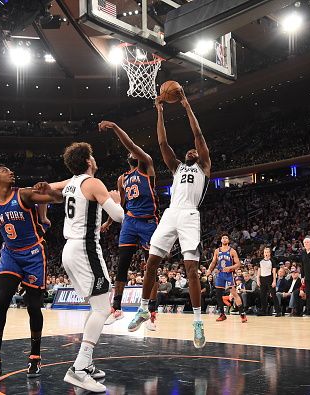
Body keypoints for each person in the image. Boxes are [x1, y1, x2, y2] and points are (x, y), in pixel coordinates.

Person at [34, 141, 124, 392]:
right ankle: (79, 368)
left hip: (70, 250)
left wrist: (43, 215)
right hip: (85, 249)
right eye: (92, 156)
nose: (95, 160)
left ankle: (88, 364)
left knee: (96, 307)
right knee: (103, 308)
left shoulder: (70, 182)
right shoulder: (93, 183)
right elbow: (119, 217)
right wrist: (117, 200)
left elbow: (42, 190)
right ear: (88, 162)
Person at [128, 88, 211, 349]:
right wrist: (160, 111)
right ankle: (143, 309)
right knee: (151, 263)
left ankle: (197, 322)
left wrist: (186, 106)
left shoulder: (204, 166)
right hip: (171, 213)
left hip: (189, 215)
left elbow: (197, 135)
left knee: (191, 270)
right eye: (188, 151)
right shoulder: (176, 167)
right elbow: (163, 144)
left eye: (194, 151)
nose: (191, 151)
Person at [0, 164, 58, 384]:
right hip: (10, 255)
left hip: (34, 254)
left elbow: (57, 199)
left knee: (34, 307)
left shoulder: (23, 194)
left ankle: (35, 356)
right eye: (5, 170)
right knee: (1, 301)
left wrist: (48, 191)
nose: (11, 172)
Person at [97, 121, 160, 330]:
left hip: (148, 222)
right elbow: (121, 204)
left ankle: (151, 313)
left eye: (136, 151)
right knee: (122, 265)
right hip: (130, 222)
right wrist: (108, 221)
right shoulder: (122, 178)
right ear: (128, 158)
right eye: (131, 153)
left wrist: (115, 127)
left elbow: (131, 144)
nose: (133, 153)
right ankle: (116, 308)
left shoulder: (147, 165)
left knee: (150, 267)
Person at [205, 234, 247, 323]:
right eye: (223, 238)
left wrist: (230, 268)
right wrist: (209, 270)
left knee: (234, 294)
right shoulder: (217, 251)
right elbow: (213, 262)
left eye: (226, 238)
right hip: (220, 274)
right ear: (221, 240)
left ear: (228, 240)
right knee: (218, 295)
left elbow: (238, 264)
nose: (224, 239)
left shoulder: (232, 251)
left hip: (229, 275)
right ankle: (222, 314)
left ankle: (242, 314)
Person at [256, 247, 277, 315]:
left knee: (273, 295)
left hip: (270, 278)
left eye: (267, 252)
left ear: (270, 253)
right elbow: (259, 271)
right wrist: (258, 280)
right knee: (263, 296)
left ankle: (278, 311)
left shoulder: (272, 261)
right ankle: (263, 311)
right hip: (262, 279)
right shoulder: (261, 261)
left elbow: (274, 272)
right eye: (265, 252)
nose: (266, 253)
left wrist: (274, 281)